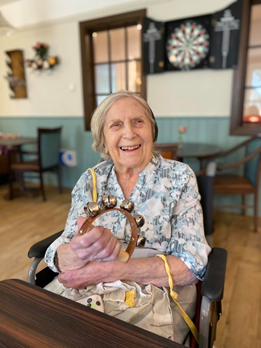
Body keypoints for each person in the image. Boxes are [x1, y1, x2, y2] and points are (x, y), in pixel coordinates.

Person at [44, 90, 211, 345]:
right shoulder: (91, 180)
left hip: (156, 295)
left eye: (138, 121)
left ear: (152, 131)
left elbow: (191, 265)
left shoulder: (179, 177)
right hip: (86, 291)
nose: (129, 133)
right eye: (116, 125)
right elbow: (63, 249)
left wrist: (109, 270)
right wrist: (74, 252)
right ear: (103, 138)